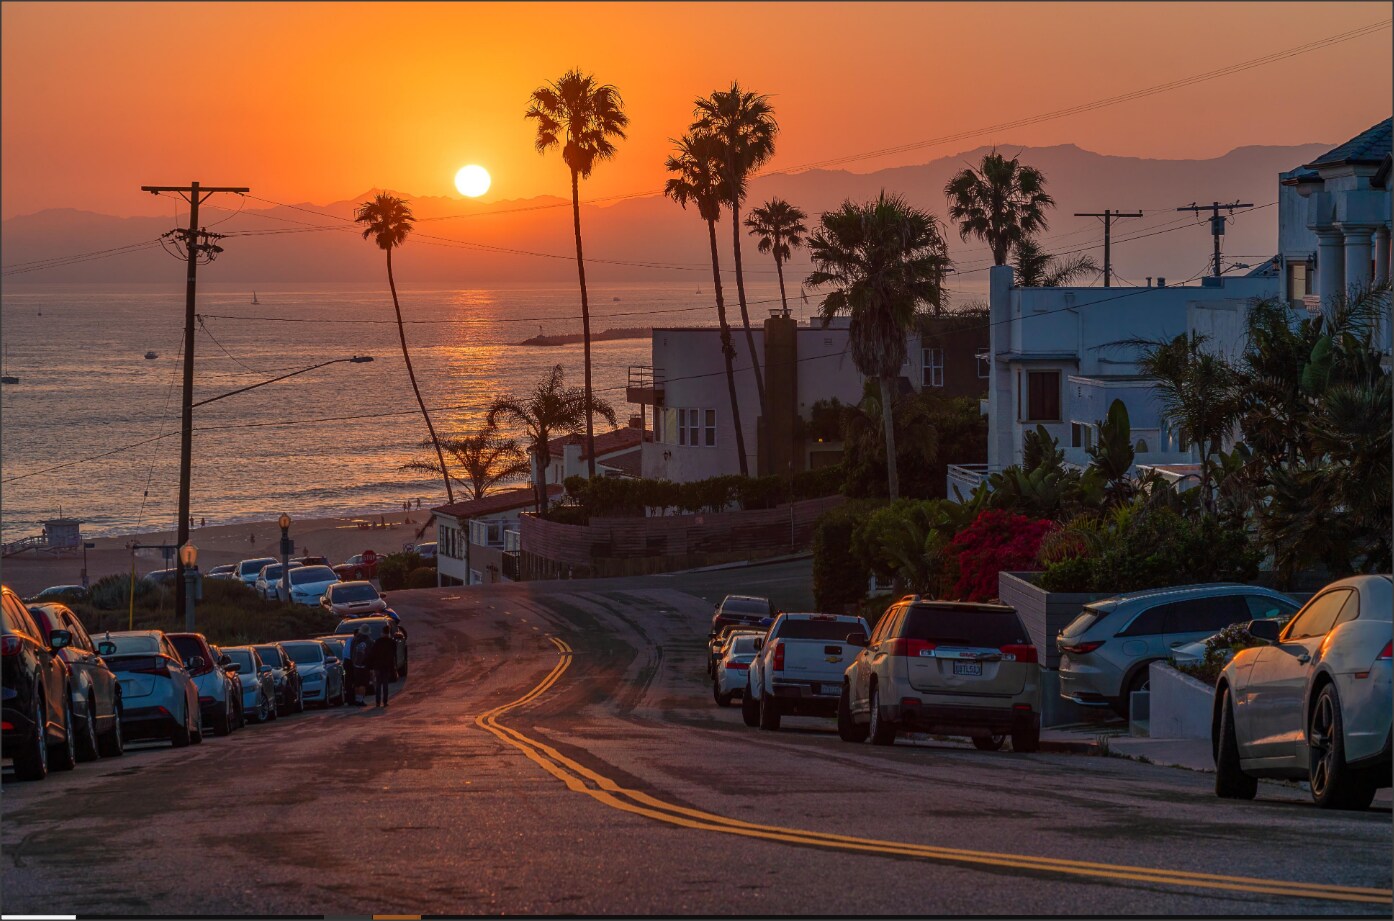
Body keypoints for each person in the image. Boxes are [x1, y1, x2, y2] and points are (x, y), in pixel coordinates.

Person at [369, 627, 396, 708]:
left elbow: (373, 654)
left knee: (378, 684)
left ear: (382, 632)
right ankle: (385, 702)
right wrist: (393, 667)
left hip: (378, 666)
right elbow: (393, 656)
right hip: (386, 666)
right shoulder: (392, 642)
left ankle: (378, 702)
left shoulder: (377, 642)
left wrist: (372, 665)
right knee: (385, 684)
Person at [347, 627, 371, 706]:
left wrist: (353, 662)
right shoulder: (367, 641)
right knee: (362, 684)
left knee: (357, 684)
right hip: (363, 666)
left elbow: (351, 653)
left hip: (355, 666)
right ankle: (360, 700)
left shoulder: (353, 641)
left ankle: (357, 699)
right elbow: (369, 653)